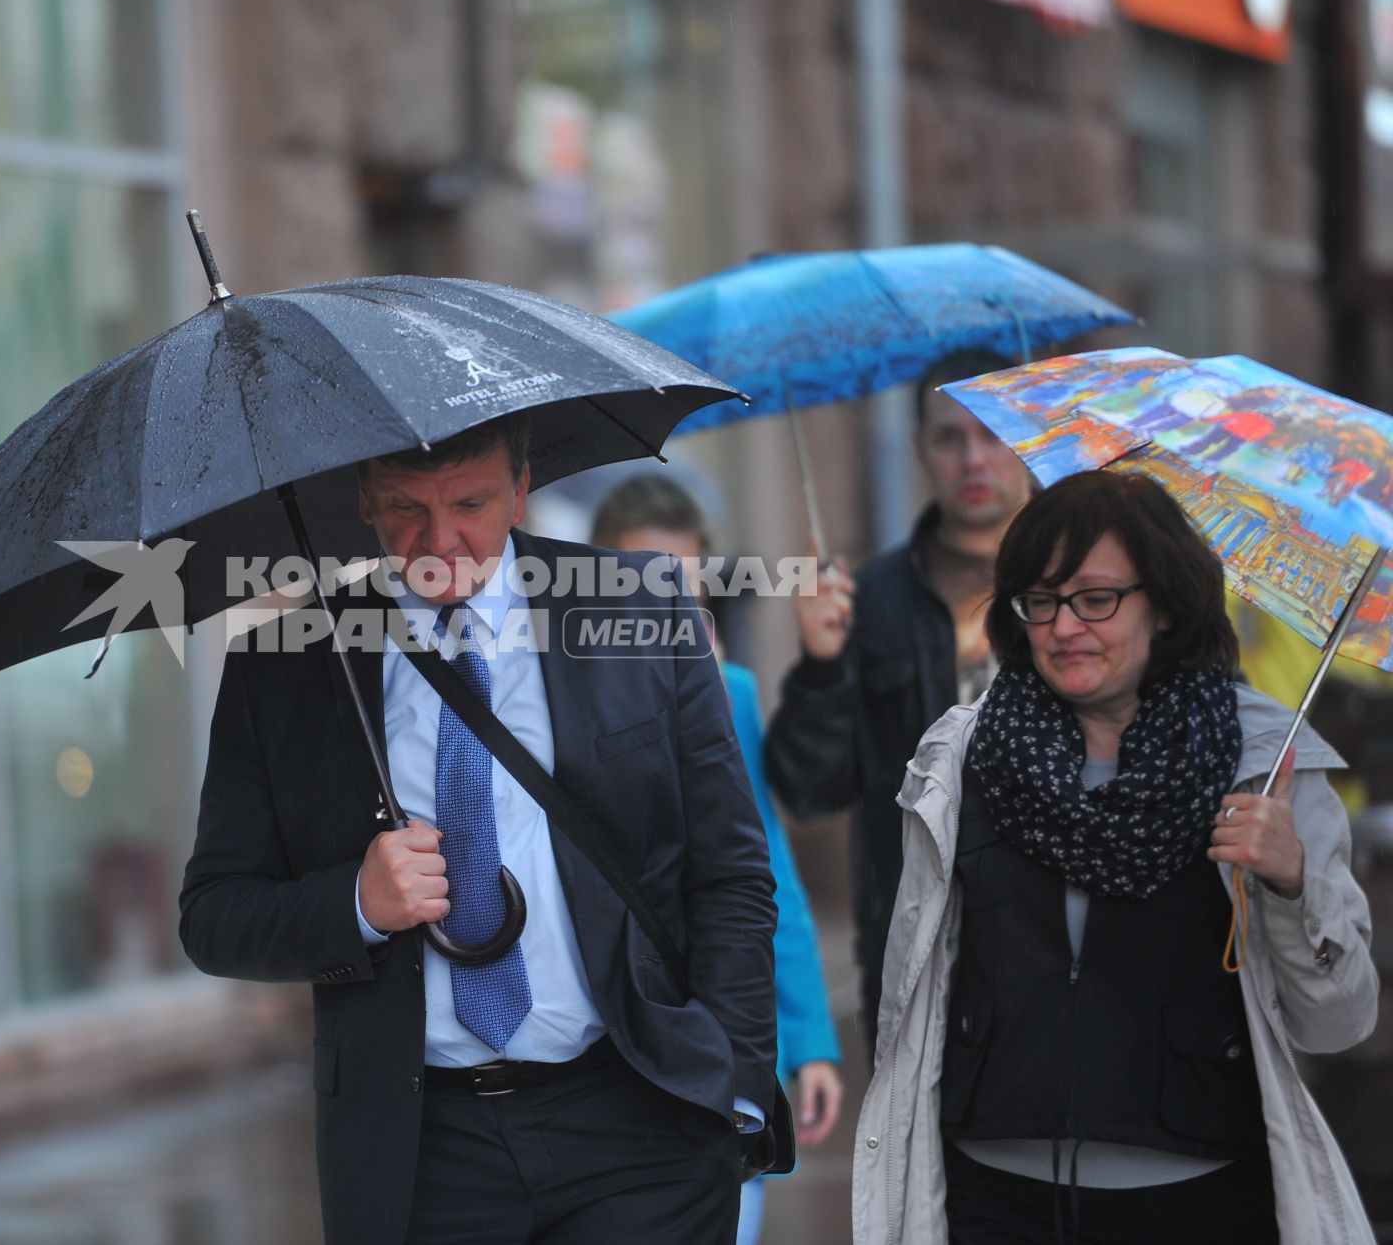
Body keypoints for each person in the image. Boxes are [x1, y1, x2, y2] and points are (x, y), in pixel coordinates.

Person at [180, 414, 792, 1245]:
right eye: (405, 508)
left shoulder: (642, 609)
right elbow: (213, 916)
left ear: (522, 487)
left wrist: (738, 1086)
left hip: (639, 1117)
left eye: (470, 503)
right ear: (364, 495)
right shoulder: (283, 667)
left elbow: (729, 871)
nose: (441, 541)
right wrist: (354, 903)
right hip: (421, 1150)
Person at [852, 471, 1378, 1244]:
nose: (1065, 626)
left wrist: (1292, 882)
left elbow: (1339, 1019)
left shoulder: (1261, 767)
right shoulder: (959, 758)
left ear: (1163, 604)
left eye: (1096, 598)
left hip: (1195, 1202)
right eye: (1041, 598)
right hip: (991, 1197)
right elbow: (916, 993)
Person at [590, 474, 842, 1245]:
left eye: (687, 595)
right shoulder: (558, 699)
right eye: (643, 589)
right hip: (605, 1048)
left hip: (716, 1039)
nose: (668, 616)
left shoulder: (729, 692)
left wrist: (810, 1038)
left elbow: (770, 878)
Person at [762, 350, 1035, 1051]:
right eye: (950, 437)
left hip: (1061, 942)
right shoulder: (872, 601)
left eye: (994, 432)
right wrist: (822, 666)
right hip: (916, 954)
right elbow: (809, 787)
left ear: (1033, 433)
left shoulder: (1083, 587)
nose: (973, 458)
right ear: (920, 449)